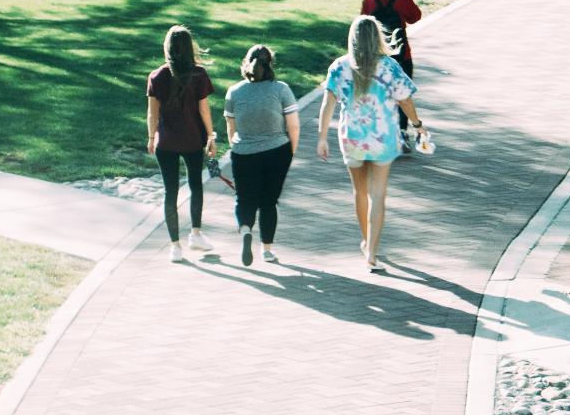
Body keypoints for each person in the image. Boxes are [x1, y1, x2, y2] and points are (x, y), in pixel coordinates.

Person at [317, 16, 428, 272]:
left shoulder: (339, 67)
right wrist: (418, 124)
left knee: (359, 192)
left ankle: (366, 241)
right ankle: (372, 254)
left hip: (352, 138)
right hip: (383, 138)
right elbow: (405, 101)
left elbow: (327, 104)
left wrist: (322, 137)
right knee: (378, 195)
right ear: (377, 37)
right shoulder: (389, 67)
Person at [224, 45, 299, 266]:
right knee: (269, 201)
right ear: (270, 64)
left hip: (243, 152)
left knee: (244, 199)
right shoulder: (281, 89)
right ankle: (267, 249)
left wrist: (236, 148)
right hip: (277, 151)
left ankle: (246, 230)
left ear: (246, 63)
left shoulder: (234, 92)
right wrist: (291, 151)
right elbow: (293, 125)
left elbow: (231, 128)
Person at [147, 25, 217, 261]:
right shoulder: (198, 74)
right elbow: (204, 109)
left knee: (170, 192)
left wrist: (150, 137)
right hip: (192, 139)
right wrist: (210, 136)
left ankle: (175, 246)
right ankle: (195, 233)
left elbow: (152, 113)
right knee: (196, 185)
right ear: (189, 48)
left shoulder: (156, 76)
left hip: (165, 141)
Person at [360, 0, 422, 150]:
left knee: (379, 96)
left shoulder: (369, 2)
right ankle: (402, 134)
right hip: (402, 57)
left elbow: (363, 25)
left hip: (376, 58)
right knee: (403, 96)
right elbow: (415, 17)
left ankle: (380, 134)